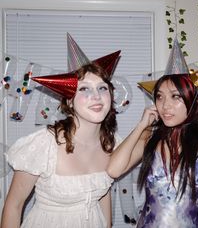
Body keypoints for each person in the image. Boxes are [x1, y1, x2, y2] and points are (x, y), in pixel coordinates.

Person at [107, 39, 198, 227]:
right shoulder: (149, 137)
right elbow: (114, 170)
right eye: (159, 96)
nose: (165, 106)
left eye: (175, 96)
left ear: (193, 100)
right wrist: (141, 126)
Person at [1, 33, 121, 228]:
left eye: (102, 88)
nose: (96, 96)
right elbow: (14, 206)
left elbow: (102, 193)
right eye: (84, 89)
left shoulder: (112, 142)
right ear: (69, 101)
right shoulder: (43, 145)